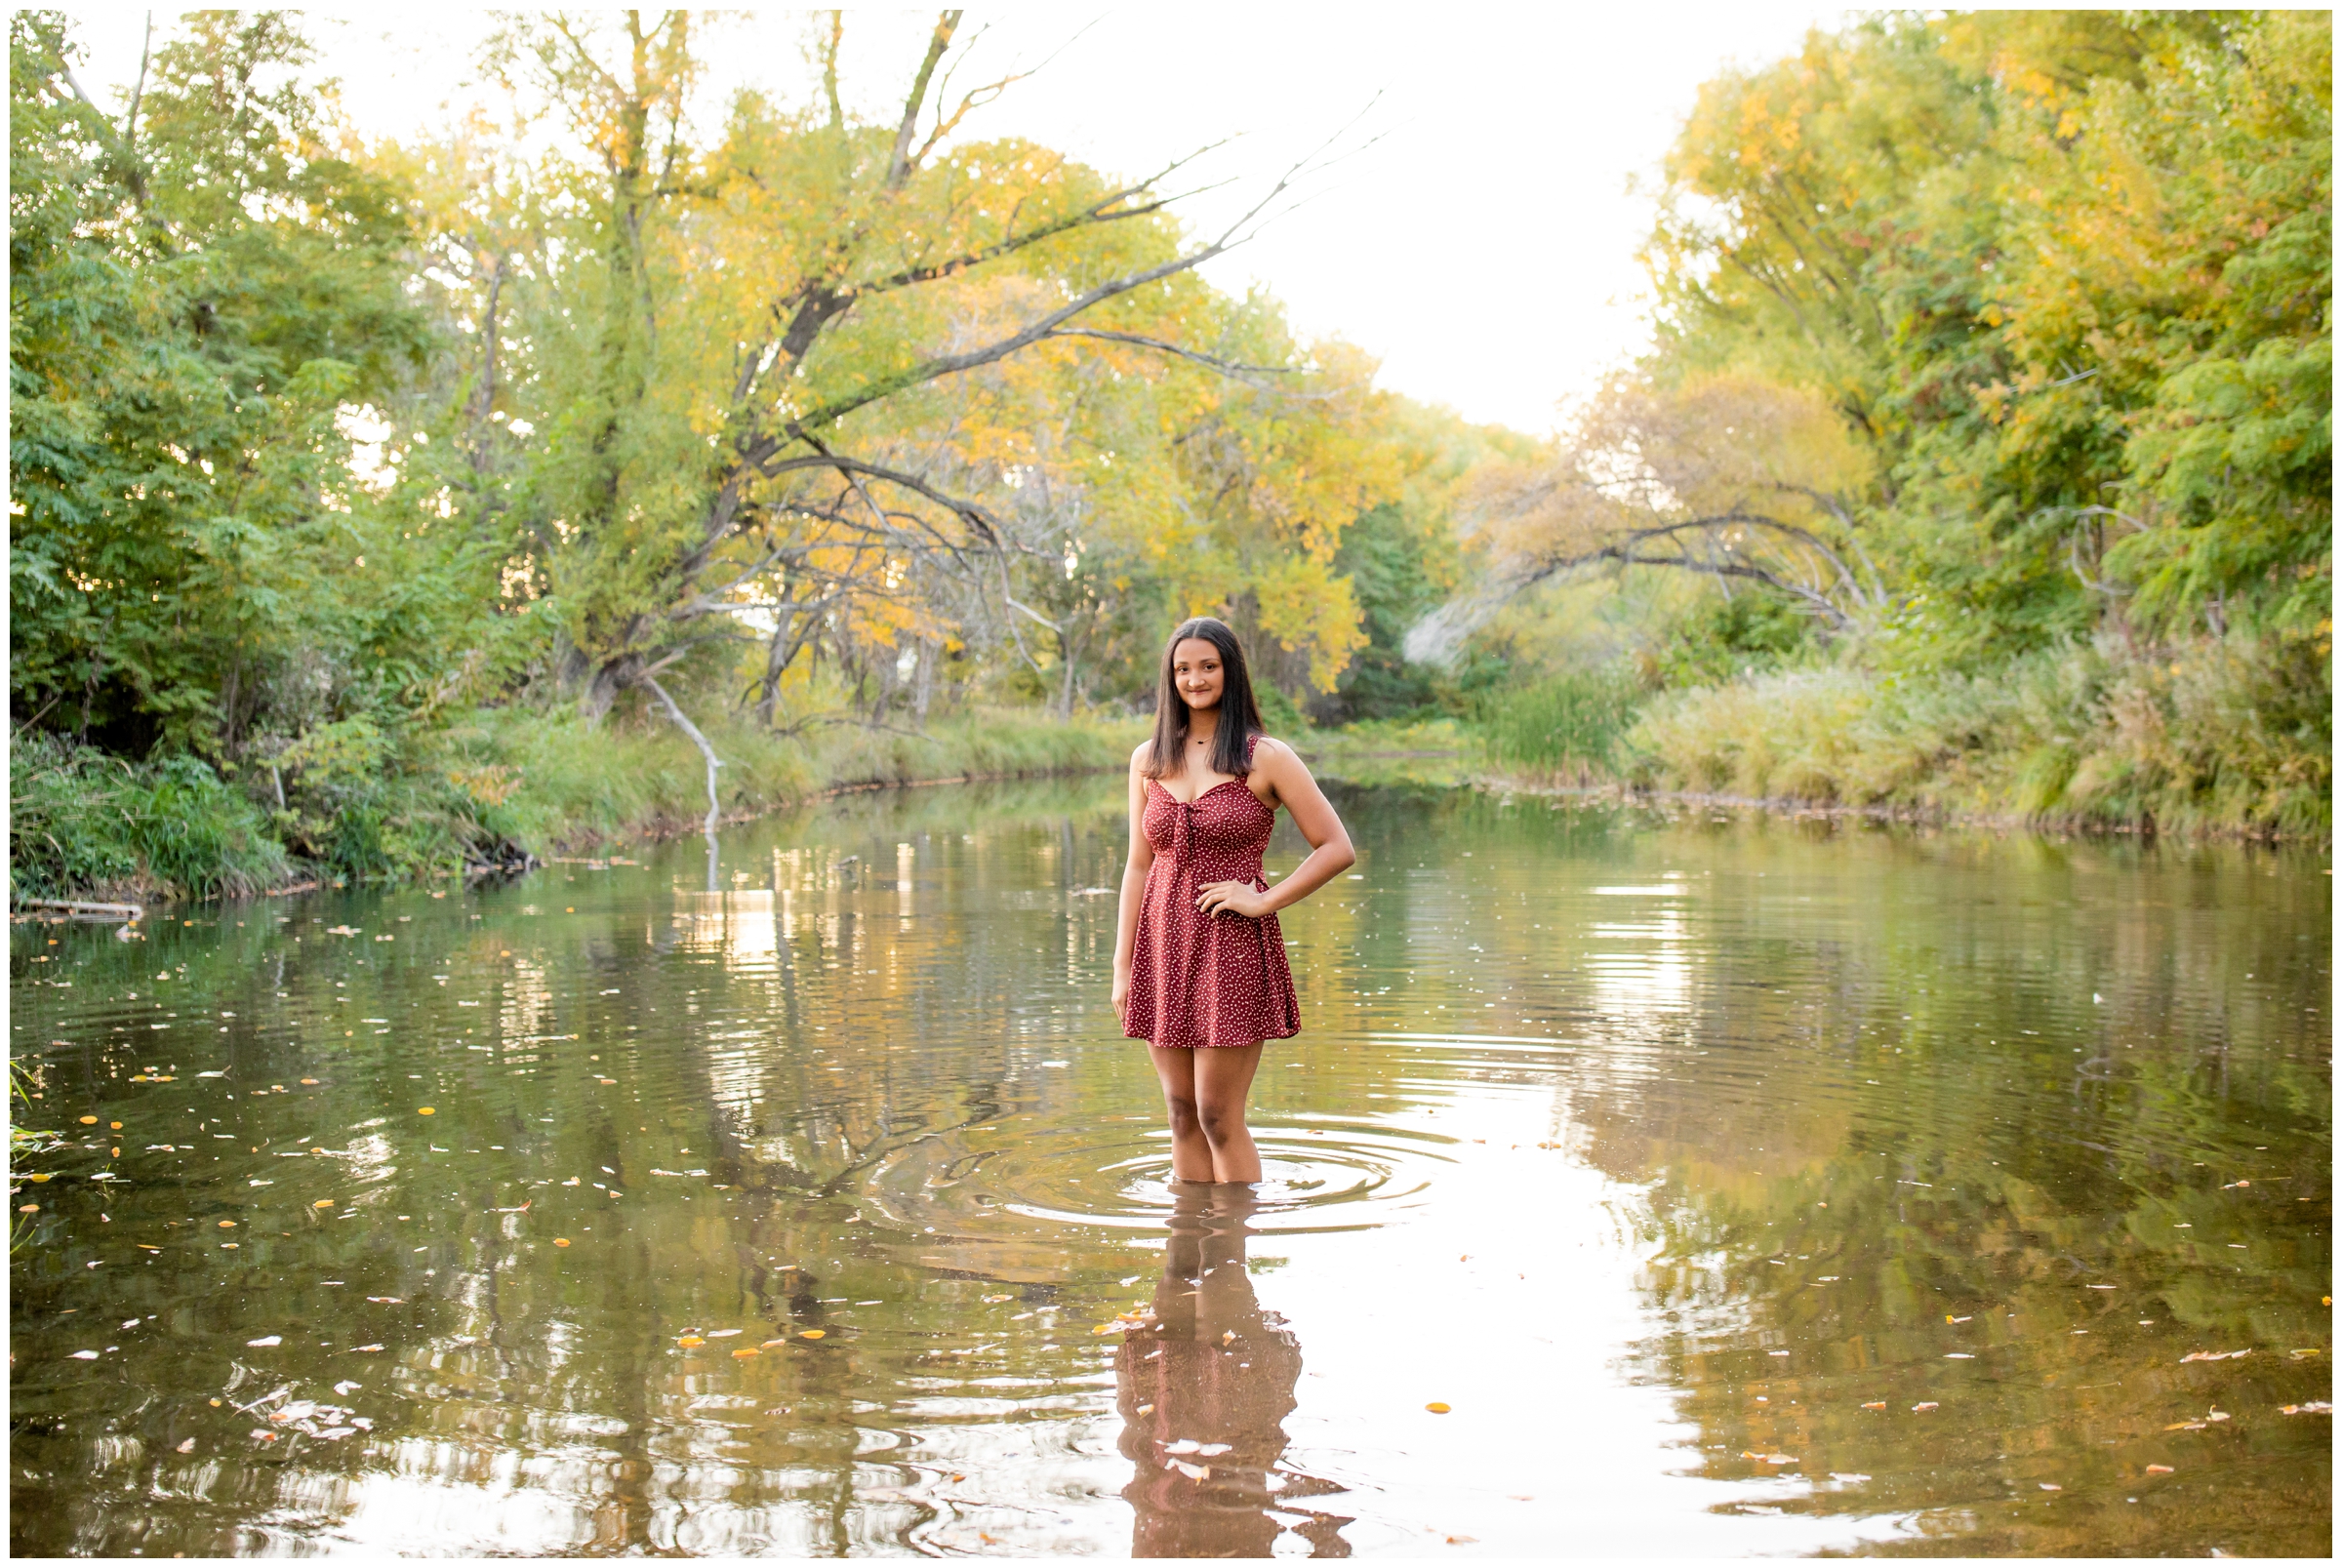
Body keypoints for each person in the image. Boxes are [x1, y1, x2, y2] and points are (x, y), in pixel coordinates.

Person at [1112, 617, 1355, 1184]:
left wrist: (1264, 901)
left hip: (1232, 950)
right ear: (1170, 678)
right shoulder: (1148, 760)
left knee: (1218, 1116)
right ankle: (1184, 1253)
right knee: (1179, 1116)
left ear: (1230, 671)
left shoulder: (1265, 757)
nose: (1194, 679)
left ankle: (1229, 1262)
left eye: (1207, 666)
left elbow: (1336, 847)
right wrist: (1123, 965)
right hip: (1163, 949)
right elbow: (1138, 864)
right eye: (1182, 669)